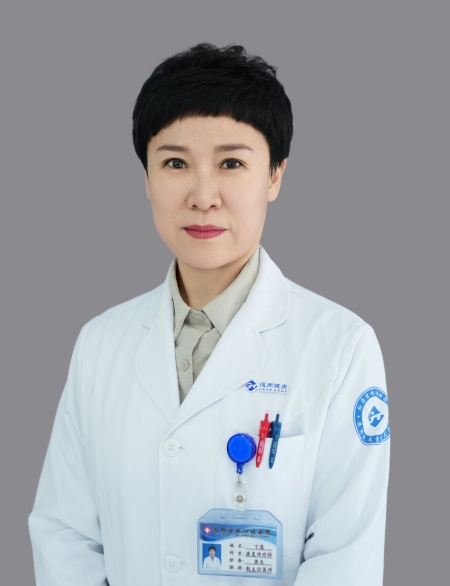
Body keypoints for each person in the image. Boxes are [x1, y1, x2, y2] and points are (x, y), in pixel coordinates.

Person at [28, 43, 390, 585]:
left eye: (231, 163)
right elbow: (65, 536)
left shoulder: (341, 347)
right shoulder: (100, 343)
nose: (202, 196)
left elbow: (345, 561)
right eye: (175, 163)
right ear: (146, 178)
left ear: (274, 176)